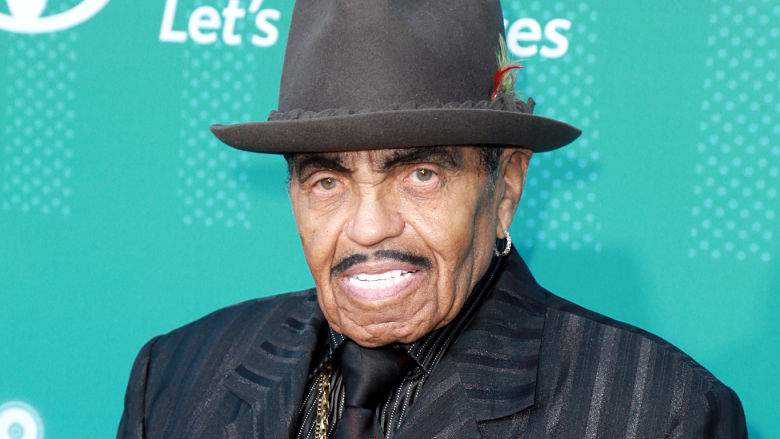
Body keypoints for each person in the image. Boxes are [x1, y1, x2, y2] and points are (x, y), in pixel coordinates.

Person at [117, 1, 746, 438]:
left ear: (506, 187)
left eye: (420, 175)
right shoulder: (175, 375)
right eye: (327, 181)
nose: (368, 228)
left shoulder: (661, 412)